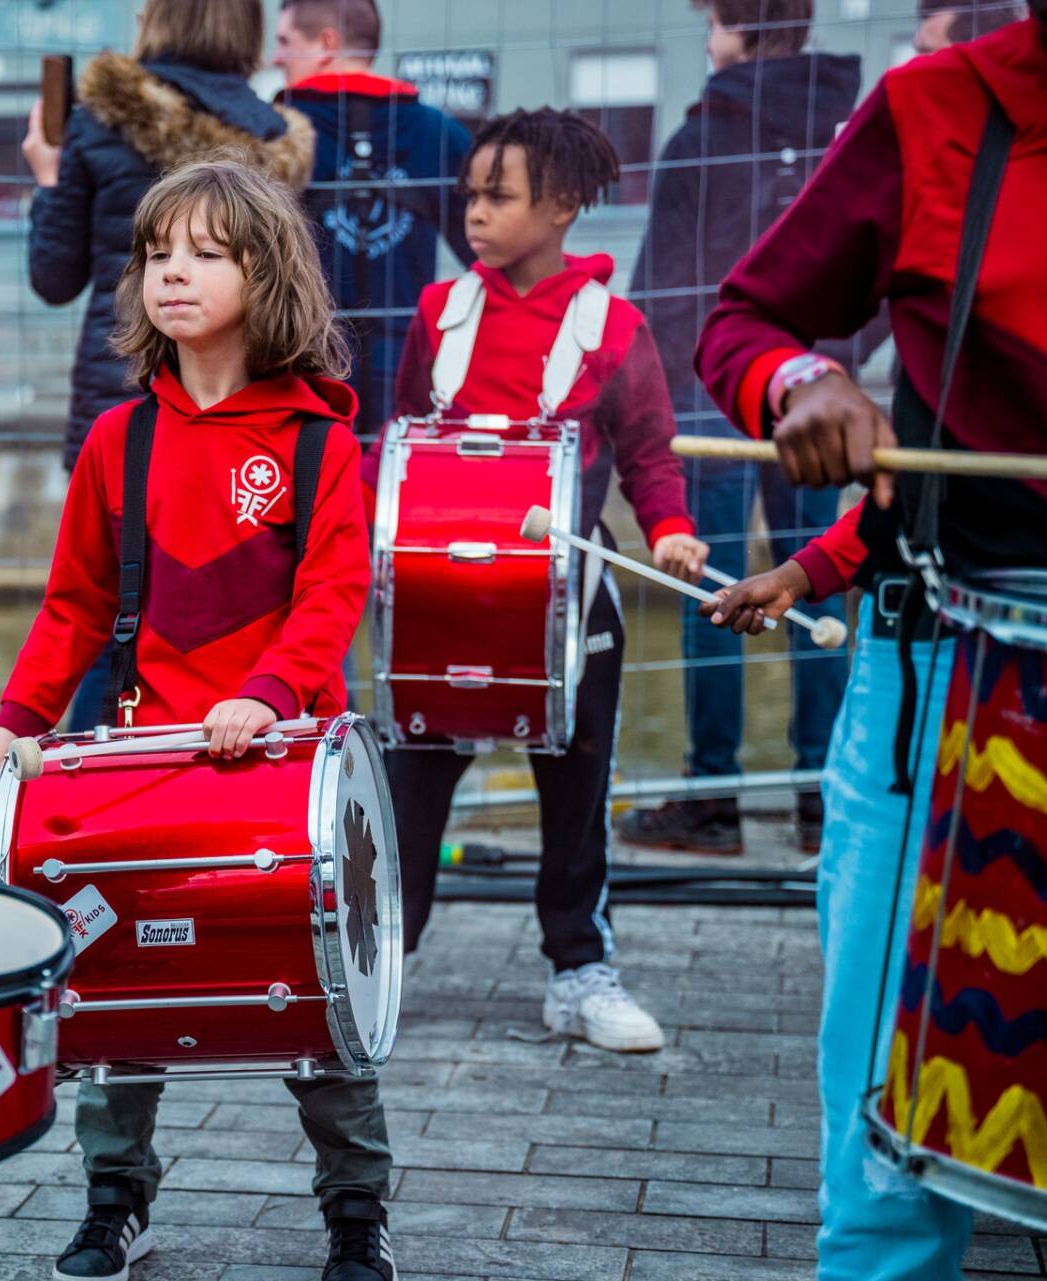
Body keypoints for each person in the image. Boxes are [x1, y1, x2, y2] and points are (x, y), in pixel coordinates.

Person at [691, 5, 1047, 1277]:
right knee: (887, 1184)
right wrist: (803, 382)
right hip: (943, 675)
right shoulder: (933, 105)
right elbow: (742, 323)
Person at [0, 159, 396, 1281]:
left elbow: (332, 596)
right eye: (158, 254)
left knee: (320, 999)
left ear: (268, 277)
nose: (173, 273)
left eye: (206, 253)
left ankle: (357, 1210)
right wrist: (17, 720)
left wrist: (267, 695)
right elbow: (73, 603)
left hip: (285, 763)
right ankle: (115, 1199)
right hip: (141, 762)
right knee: (112, 984)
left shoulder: (320, 443)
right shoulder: (120, 439)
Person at [382, 109, 709, 1053]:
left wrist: (672, 531)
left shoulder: (615, 328)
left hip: (567, 603)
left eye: (499, 196)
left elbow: (649, 455)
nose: (474, 213)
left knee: (577, 789)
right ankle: (378, 961)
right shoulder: (439, 314)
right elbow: (402, 440)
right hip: (441, 601)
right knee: (408, 793)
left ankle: (580, 970)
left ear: (563, 206)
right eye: (471, 195)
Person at [21, 0, 315, 728]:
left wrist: (49, 177)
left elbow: (53, 276)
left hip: (119, 395)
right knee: (259, 599)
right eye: (160, 257)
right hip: (251, 413)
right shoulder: (274, 133)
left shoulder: (100, 119)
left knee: (116, 600)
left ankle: (100, 769)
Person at [616, 0, 858, 855]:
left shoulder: (702, 137)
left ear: (736, 25)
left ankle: (712, 797)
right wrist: (839, 363)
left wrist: (655, 391)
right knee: (815, 578)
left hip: (711, 390)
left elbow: (660, 287)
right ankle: (822, 799)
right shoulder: (846, 131)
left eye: (714, 21)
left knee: (710, 588)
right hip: (816, 395)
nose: (708, 37)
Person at [273, 0, 476, 440]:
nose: (275, 58)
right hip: (406, 369)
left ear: (327, 43)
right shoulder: (438, 133)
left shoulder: (276, 135)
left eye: (285, 42)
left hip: (301, 368)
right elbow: (489, 258)